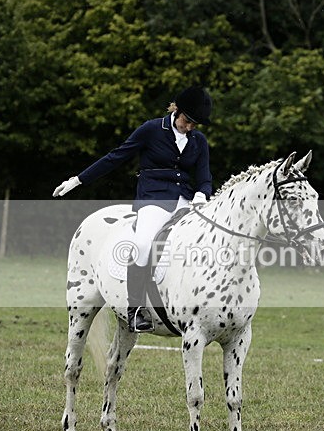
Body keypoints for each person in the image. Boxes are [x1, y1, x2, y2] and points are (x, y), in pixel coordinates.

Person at [53, 86, 214, 332]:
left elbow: (204, 176)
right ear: (177, 110)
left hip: (186, 200)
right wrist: (78, 180)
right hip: (153, 199)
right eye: (187, 120)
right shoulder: (151, 129)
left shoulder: (198, 140)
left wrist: (202, 194)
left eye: (195, 124)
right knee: (142, 244)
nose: (190, 127)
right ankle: (136, 309)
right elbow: (116, 156)